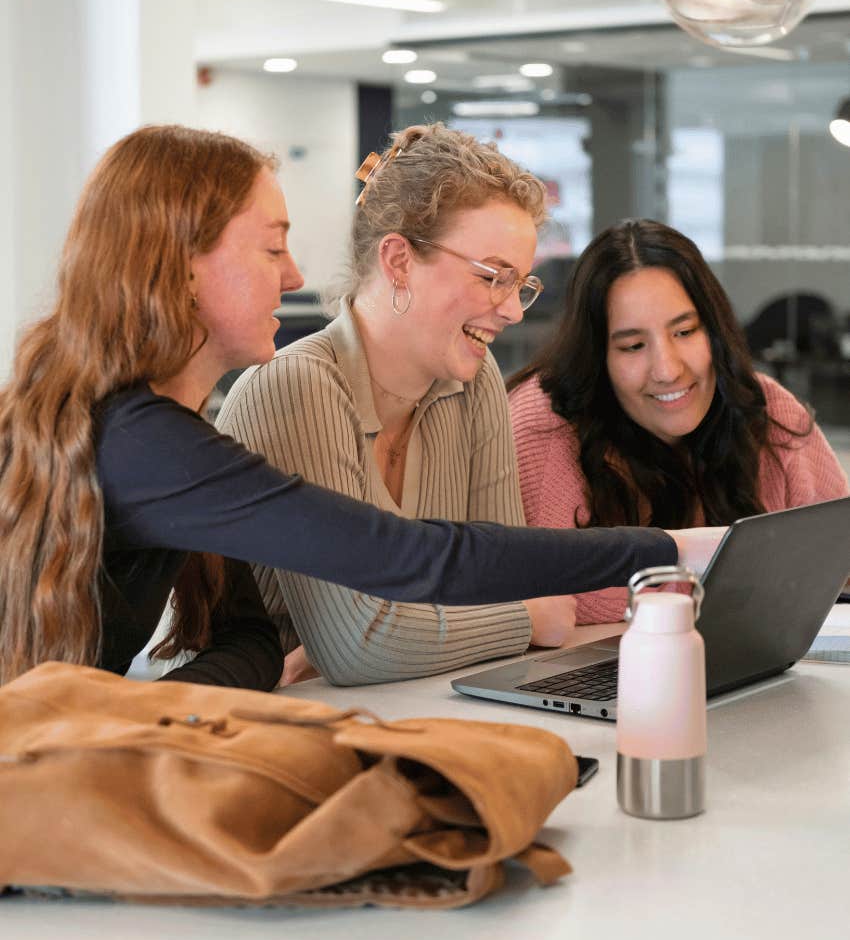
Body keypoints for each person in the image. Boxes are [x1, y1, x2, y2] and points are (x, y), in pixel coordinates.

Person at [0, 126, 712, 692]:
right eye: (272, 248)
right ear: (183, 268)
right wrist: (667, 550)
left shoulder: (154, 433)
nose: (294, 276)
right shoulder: (148, 442)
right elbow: (402, 574)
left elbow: (250, 642)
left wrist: (137, 709)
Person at [219, 123, 580, 686]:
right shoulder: (296, 387)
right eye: (493, 277)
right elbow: (360, 646)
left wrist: (404, 629)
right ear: (399, 260)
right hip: (245, 717)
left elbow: (506, 579)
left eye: (521, 285)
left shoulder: (474, 380)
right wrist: (526, 619)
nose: (513, 311)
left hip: (401, 702)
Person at [508, 220, 850, 625]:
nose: (667, 370)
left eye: (685, 332)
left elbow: (837, 555)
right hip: (608, 662)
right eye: (633, 346)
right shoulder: (543, 425)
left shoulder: (765, 407)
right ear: (597, 357)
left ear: (715, 330)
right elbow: (557, 597)